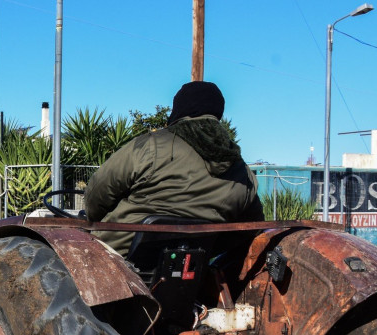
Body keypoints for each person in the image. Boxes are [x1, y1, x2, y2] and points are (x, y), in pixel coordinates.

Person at [83, 81, 264, 256]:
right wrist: (211, 250)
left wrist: (94, 219)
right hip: (194, 264)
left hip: (117, 256)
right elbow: (250, 226)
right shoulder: (240, 169)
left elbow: (98, 192)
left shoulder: (151, 145)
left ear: (179, 109)